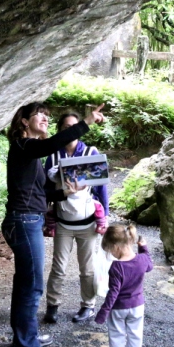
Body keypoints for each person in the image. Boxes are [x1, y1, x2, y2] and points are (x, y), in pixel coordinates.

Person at [3, 101, 105, 347]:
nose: (46, 119)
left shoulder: (29, 153)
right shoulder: (24, 146)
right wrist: (86, 123)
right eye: (41, 115)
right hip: (24, 221)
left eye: (48, 116)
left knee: (25, 283)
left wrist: (64, 192)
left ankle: (24, 337)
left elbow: (40, 192)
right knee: (33, 285)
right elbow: (50, 145)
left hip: (28, 220)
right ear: (24, 121)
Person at [43, 112, 110, 324]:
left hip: (88, 223)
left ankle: (87, 306)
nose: (70, 130)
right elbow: (45, 189)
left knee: (87, 269)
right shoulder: (52, 156)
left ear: (80, 128)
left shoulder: (91, 152)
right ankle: (52, 305)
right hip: (63, 222)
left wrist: (105, 216)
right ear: (60, 130)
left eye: (74, 126)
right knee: (58, 268)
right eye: (65, 127)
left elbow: (101, 188)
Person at [95, 223, 153, 347]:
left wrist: (103, 311)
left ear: (116, 247)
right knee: (135, 335)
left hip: (118, 308)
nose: (111, 254)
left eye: (110, 250)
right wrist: (144, 248)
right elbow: (149, 266)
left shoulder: (117, 267)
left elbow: (113, 292)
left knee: (117, 336)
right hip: (137, 306)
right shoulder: (142, 259)